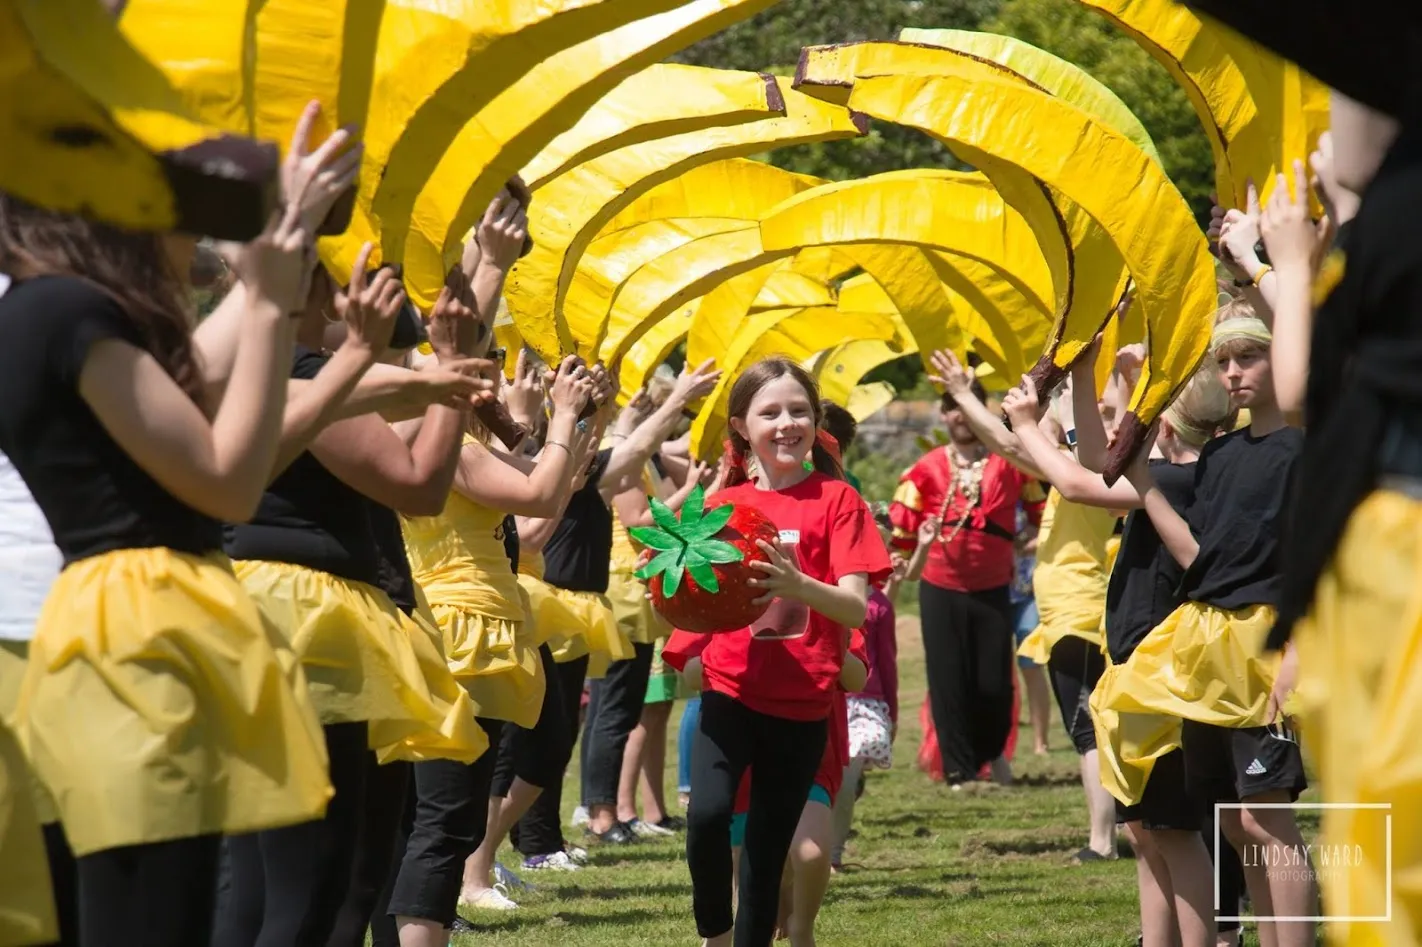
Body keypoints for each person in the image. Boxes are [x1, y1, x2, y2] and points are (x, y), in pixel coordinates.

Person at [0, 105, 345, 946]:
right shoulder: (64, 312)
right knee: (149, 918)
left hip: (111, 634)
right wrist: (267, 301)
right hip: (135, 647)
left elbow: (189, 378)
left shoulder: (47, 311)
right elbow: (227, 480)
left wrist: (287, 237)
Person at [1258, 94, 1420, 945]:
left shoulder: (1400, 218)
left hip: (1404, 565)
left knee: (1392, 842)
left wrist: (1290, 261)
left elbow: (1303, 391)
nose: (1326, 128)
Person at [1005, 358, 1235, 947]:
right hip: (1137, 662)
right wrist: (1086, 372)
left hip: (1166, 672)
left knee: (1173, 829)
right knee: (1145, 829)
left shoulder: (1182, 480)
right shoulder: (1170, 472)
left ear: (1161, 425)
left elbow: (1081, 482)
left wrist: (1029, 424)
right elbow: (1093, 463)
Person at [662, 357, 891, 947]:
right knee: (708, 817)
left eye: (799, 411)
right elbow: (693, 601)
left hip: (802, 706)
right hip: (729, 692)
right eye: (771, 412)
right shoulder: (720, 507)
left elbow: (854, 608)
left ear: (817, 422)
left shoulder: (839, 501)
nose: (787, 423)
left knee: (767, 853)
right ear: (741, 426)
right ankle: (715, 932)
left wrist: (798, 586)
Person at [1115, 299, 1314, 947]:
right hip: (1208, 652)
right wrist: (1141, 474)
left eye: (1249, 356)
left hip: (1265, 648)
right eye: (1223, 361)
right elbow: (1199, 553)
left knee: (1267, 819)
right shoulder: (1223, 454)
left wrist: (1296, 655)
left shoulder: (1305, 450)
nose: (1233, 372)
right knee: (1234, 822)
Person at [890, 352, 1045, 788]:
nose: (960, 416)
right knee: (948, 679)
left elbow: (1040, 513)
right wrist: (901, 560)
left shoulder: (1010, 463)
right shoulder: (923, 470)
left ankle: (994, 756)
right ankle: (958, 769)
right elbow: (901, 533)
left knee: (995, 682)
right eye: (953, 407)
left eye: (968, 406)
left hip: (995, 585)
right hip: (941, 586)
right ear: (943, 414)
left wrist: (1025, 544)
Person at [829, 578, 899, 872]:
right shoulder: (819, 590)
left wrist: (892, 713)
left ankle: (833, 855)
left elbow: (887, 660)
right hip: (829, 699)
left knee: (845, 780)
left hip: (866, 705)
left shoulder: (879, 604)